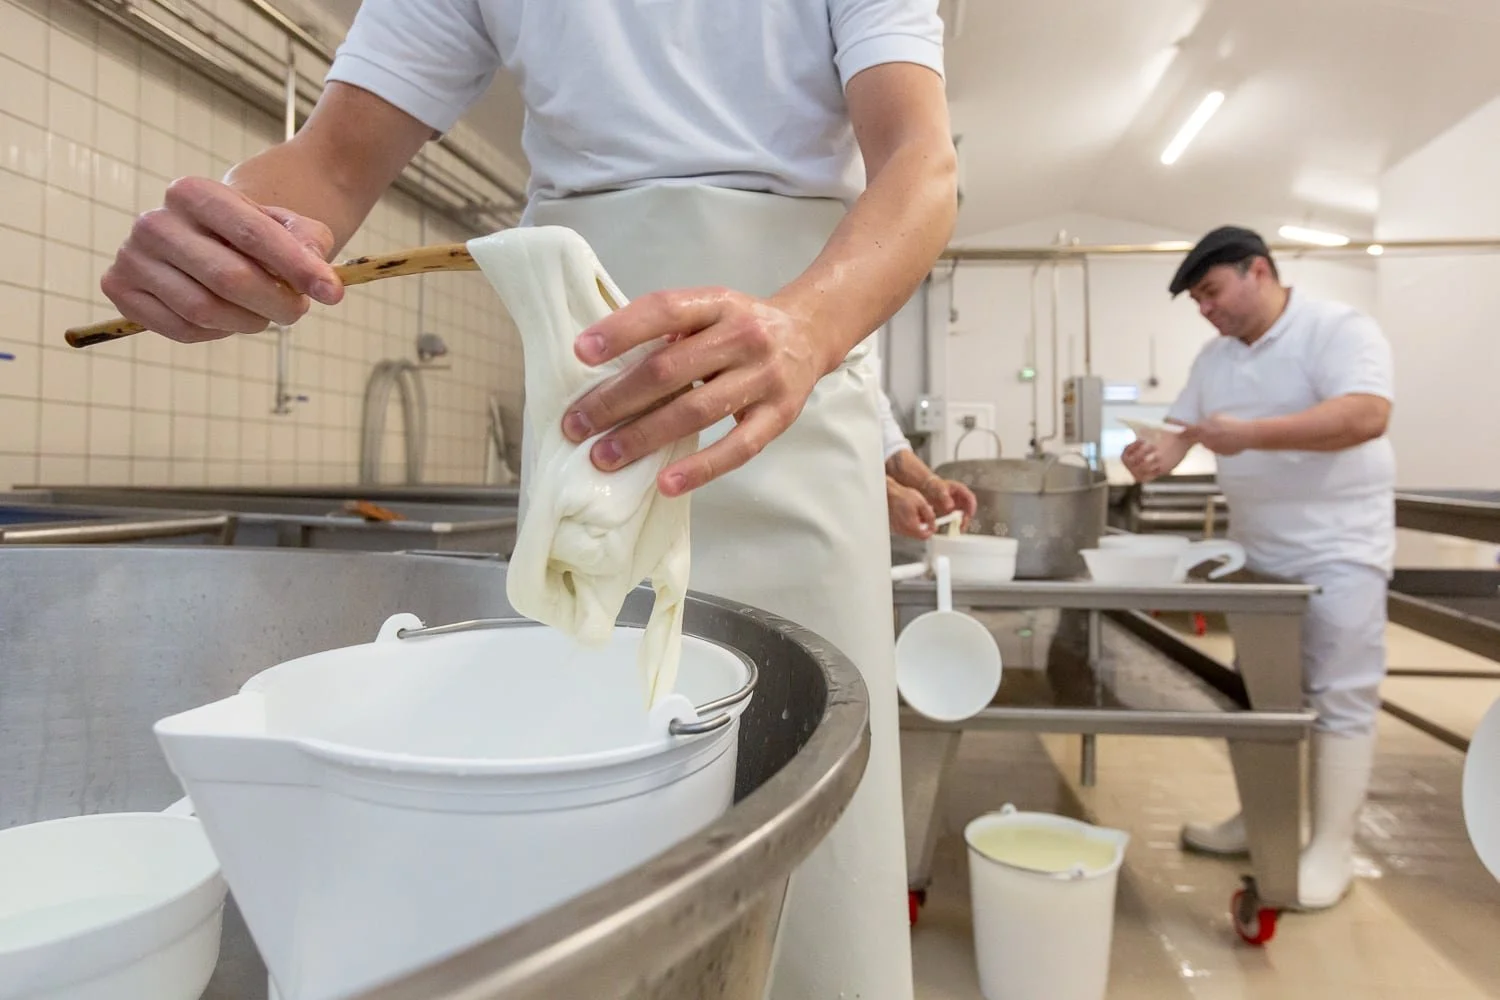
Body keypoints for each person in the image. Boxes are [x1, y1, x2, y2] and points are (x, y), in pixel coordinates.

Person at [98, 2, 957, 996]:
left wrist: (804, 330)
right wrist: (226, 237)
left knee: (819, 835)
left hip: (799, 385)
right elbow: (329, 165)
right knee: (589, 809)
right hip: (592, 407)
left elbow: (921, 164)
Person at [1123, 225, 1395, 910]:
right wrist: (1152, 456)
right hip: (1258, 553)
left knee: (1339, 695)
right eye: (1197, 301)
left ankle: (1331, 848)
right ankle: (1262, 820)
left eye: (1212, 292)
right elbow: (1177, 436)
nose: (1206, 309)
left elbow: (1366, 415)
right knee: (1264, 693)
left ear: (1260, 272)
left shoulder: (1336, 330)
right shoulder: (1215, 360)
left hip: (1340, 548)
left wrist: (1249, 435)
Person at [878, 387, 978, 539]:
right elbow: (836, 459)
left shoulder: (867, 378)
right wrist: (887, 493)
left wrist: (929, 483)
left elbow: (888, 443)